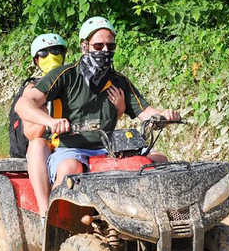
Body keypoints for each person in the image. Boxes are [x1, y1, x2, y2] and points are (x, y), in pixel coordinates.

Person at [15, 16, 180, 190]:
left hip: (111, 147)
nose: (105, 50)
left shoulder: (119, 81)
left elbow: (146, 112)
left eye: (110, 46)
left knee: (159, 160)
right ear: (84, 46)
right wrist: (51, 121)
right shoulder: (65, 75)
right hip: (70, 148)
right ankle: (56, 215)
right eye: (99, 46)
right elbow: (23, 105)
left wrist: (165, 115)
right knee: (69, 169)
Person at [21, 33, 125, 224]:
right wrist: (50, 121)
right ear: (36, 59)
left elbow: (102, 121)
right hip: (53, 143)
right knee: (37, 145)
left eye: (56, 51)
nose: (51, 56)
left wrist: (118, 109)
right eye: (44, 53)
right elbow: (30, 132)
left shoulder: (69, 80)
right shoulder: (34, 90)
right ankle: (46, 213)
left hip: (80, 141)